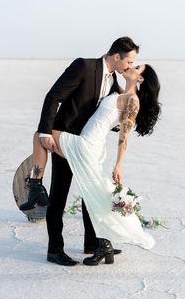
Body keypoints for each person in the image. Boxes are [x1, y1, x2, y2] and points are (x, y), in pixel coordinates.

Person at [20, 64, 161, 266]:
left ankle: (34, 184)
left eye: (137, 67)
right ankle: (101, 244)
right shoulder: (120, 91)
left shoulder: (132, 100)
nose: (131, 66)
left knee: (41, 134)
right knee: (94, 193)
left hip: (86, 144)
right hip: (90, 145)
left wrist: (118, 165)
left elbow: (124, 137)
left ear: (140, 79)